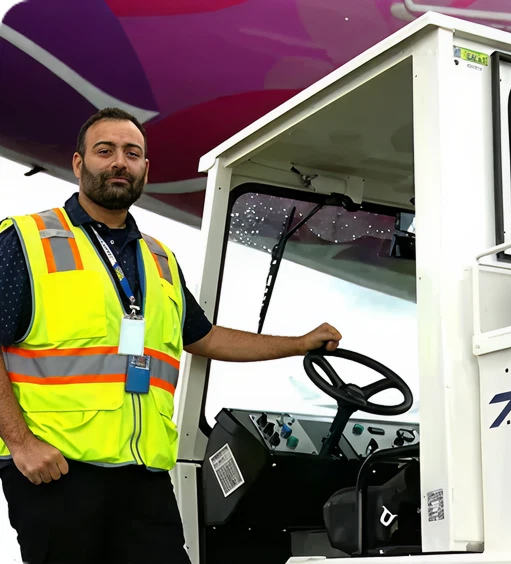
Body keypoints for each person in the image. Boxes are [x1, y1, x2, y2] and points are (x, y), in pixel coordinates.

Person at [0, 108, 342, 564]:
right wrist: (22, 445)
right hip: (59, 473)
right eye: (106, 151)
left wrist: (298, 343)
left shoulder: (158, 258)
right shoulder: (28, 239)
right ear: (79, 164)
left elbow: (205, 337)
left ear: (145, 169)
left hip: (144, 479)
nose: (120, 162)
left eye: (132, 153)